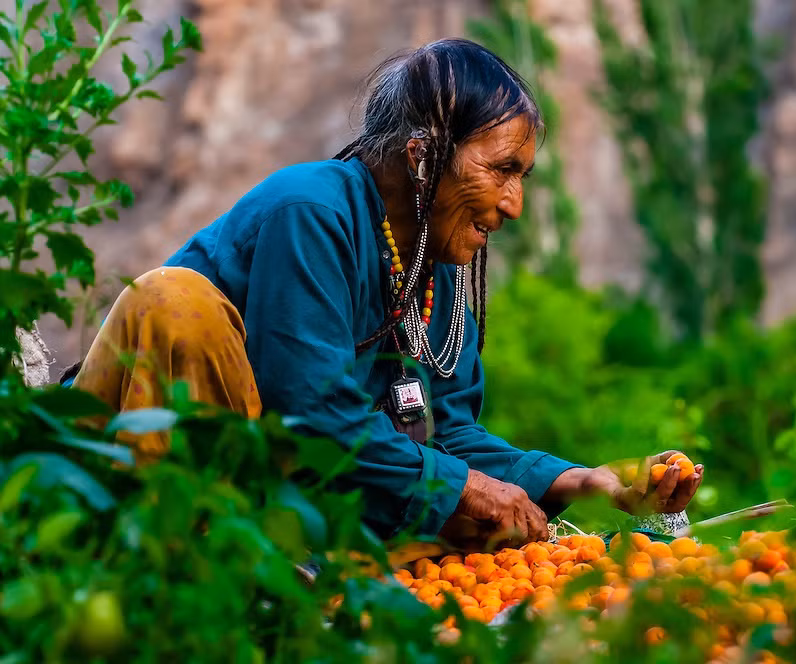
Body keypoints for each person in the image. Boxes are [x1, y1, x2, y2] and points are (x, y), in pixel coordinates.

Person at [71, 39, 703, 550]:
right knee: (175, 298)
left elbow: (446, 435)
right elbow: (309, 411)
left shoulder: (437, 260)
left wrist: (586, 480)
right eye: (503, 169)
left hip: (275, 506)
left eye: (524, 176)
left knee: (464, 523)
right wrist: (461, 489)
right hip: (152, 487)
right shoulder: (311, 212)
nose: (515, 205)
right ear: (423, 157)